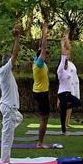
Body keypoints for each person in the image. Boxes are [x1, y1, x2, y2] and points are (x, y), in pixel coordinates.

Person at [0, 24, 23, 164]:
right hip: (8, 108)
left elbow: (13, 57)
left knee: (19, 118)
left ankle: (7, 126)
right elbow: (14, 54)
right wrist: (17, 38)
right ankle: (5, 161)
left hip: (10, 108)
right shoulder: (4, 71)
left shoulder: (7, 73)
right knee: (7, 135)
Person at [56, 32, 81, 135]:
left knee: (78, 103)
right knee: (63, 114)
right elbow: (64, 54)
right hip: (62, 93)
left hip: (68, 94)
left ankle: (62, 107)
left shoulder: (67, 68)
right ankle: (64, 131)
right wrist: (63, 44)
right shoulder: (61, 69)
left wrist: (67, 39)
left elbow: (68, 50)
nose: (67, 58)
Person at [32, 20, 51, 148]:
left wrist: (42, 32)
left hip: (39, 92)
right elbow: (43, 47)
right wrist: (44, 32)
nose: (46, 55)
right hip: (41, 93)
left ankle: (40, 141)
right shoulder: (39, 64)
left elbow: (41, 47)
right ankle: (40, 143)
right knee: (44, 118)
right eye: (44, 54)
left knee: (44, 117)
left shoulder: (37, 61)